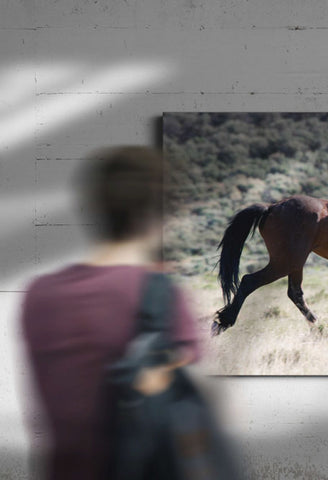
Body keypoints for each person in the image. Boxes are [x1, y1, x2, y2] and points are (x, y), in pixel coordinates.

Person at [21, 146, 199, 479]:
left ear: (94, 207)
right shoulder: (160, 294)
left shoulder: (37, 295)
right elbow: (199, 415)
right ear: (159, 212)